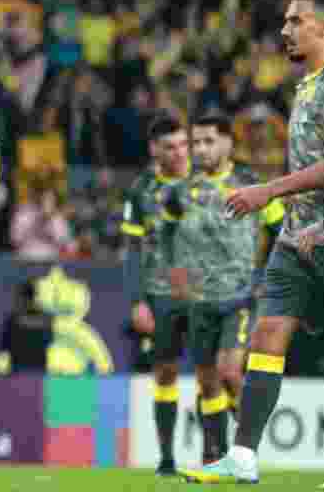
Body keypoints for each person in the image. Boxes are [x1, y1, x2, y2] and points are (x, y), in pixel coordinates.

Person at [181, 0, 324, 486]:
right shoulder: (305, 85)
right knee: (265, 337)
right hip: (295, 236)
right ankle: (243, 455)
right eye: (284, 22)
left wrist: (270, 189)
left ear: (323, 29)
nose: (284, 31)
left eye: (295, 22)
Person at [162, 114, 283, 464]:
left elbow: (279, 231)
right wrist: (176, 271)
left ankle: (247, 448)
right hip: (200, 299)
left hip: (241, 295)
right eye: (195, 142)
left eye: (208, 141)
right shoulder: (181, 190)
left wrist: (268, 277)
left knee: (231, 372)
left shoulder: (251, 183)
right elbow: (168, 230)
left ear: (228, 142)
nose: (200, 149)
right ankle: (214, 455)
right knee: (208, 382)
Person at [120, 115, 191, 477]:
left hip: (210, 292)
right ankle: (166, 458)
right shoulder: (140, 190)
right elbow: (131, 250)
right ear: (154, 150)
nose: (179, 153)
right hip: (162, 296)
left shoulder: (207, 181)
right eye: (170, 147)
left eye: (183, 145)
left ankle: (230, 454)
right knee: (165, 373)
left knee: (224, 372)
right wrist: (137, 300)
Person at [0, 279, 54, 375]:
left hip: (35, 371)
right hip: (20, 371)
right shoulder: (13, 320)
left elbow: (50, 341)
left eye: (24, 297)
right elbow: (4, 346)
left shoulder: (14, 320)